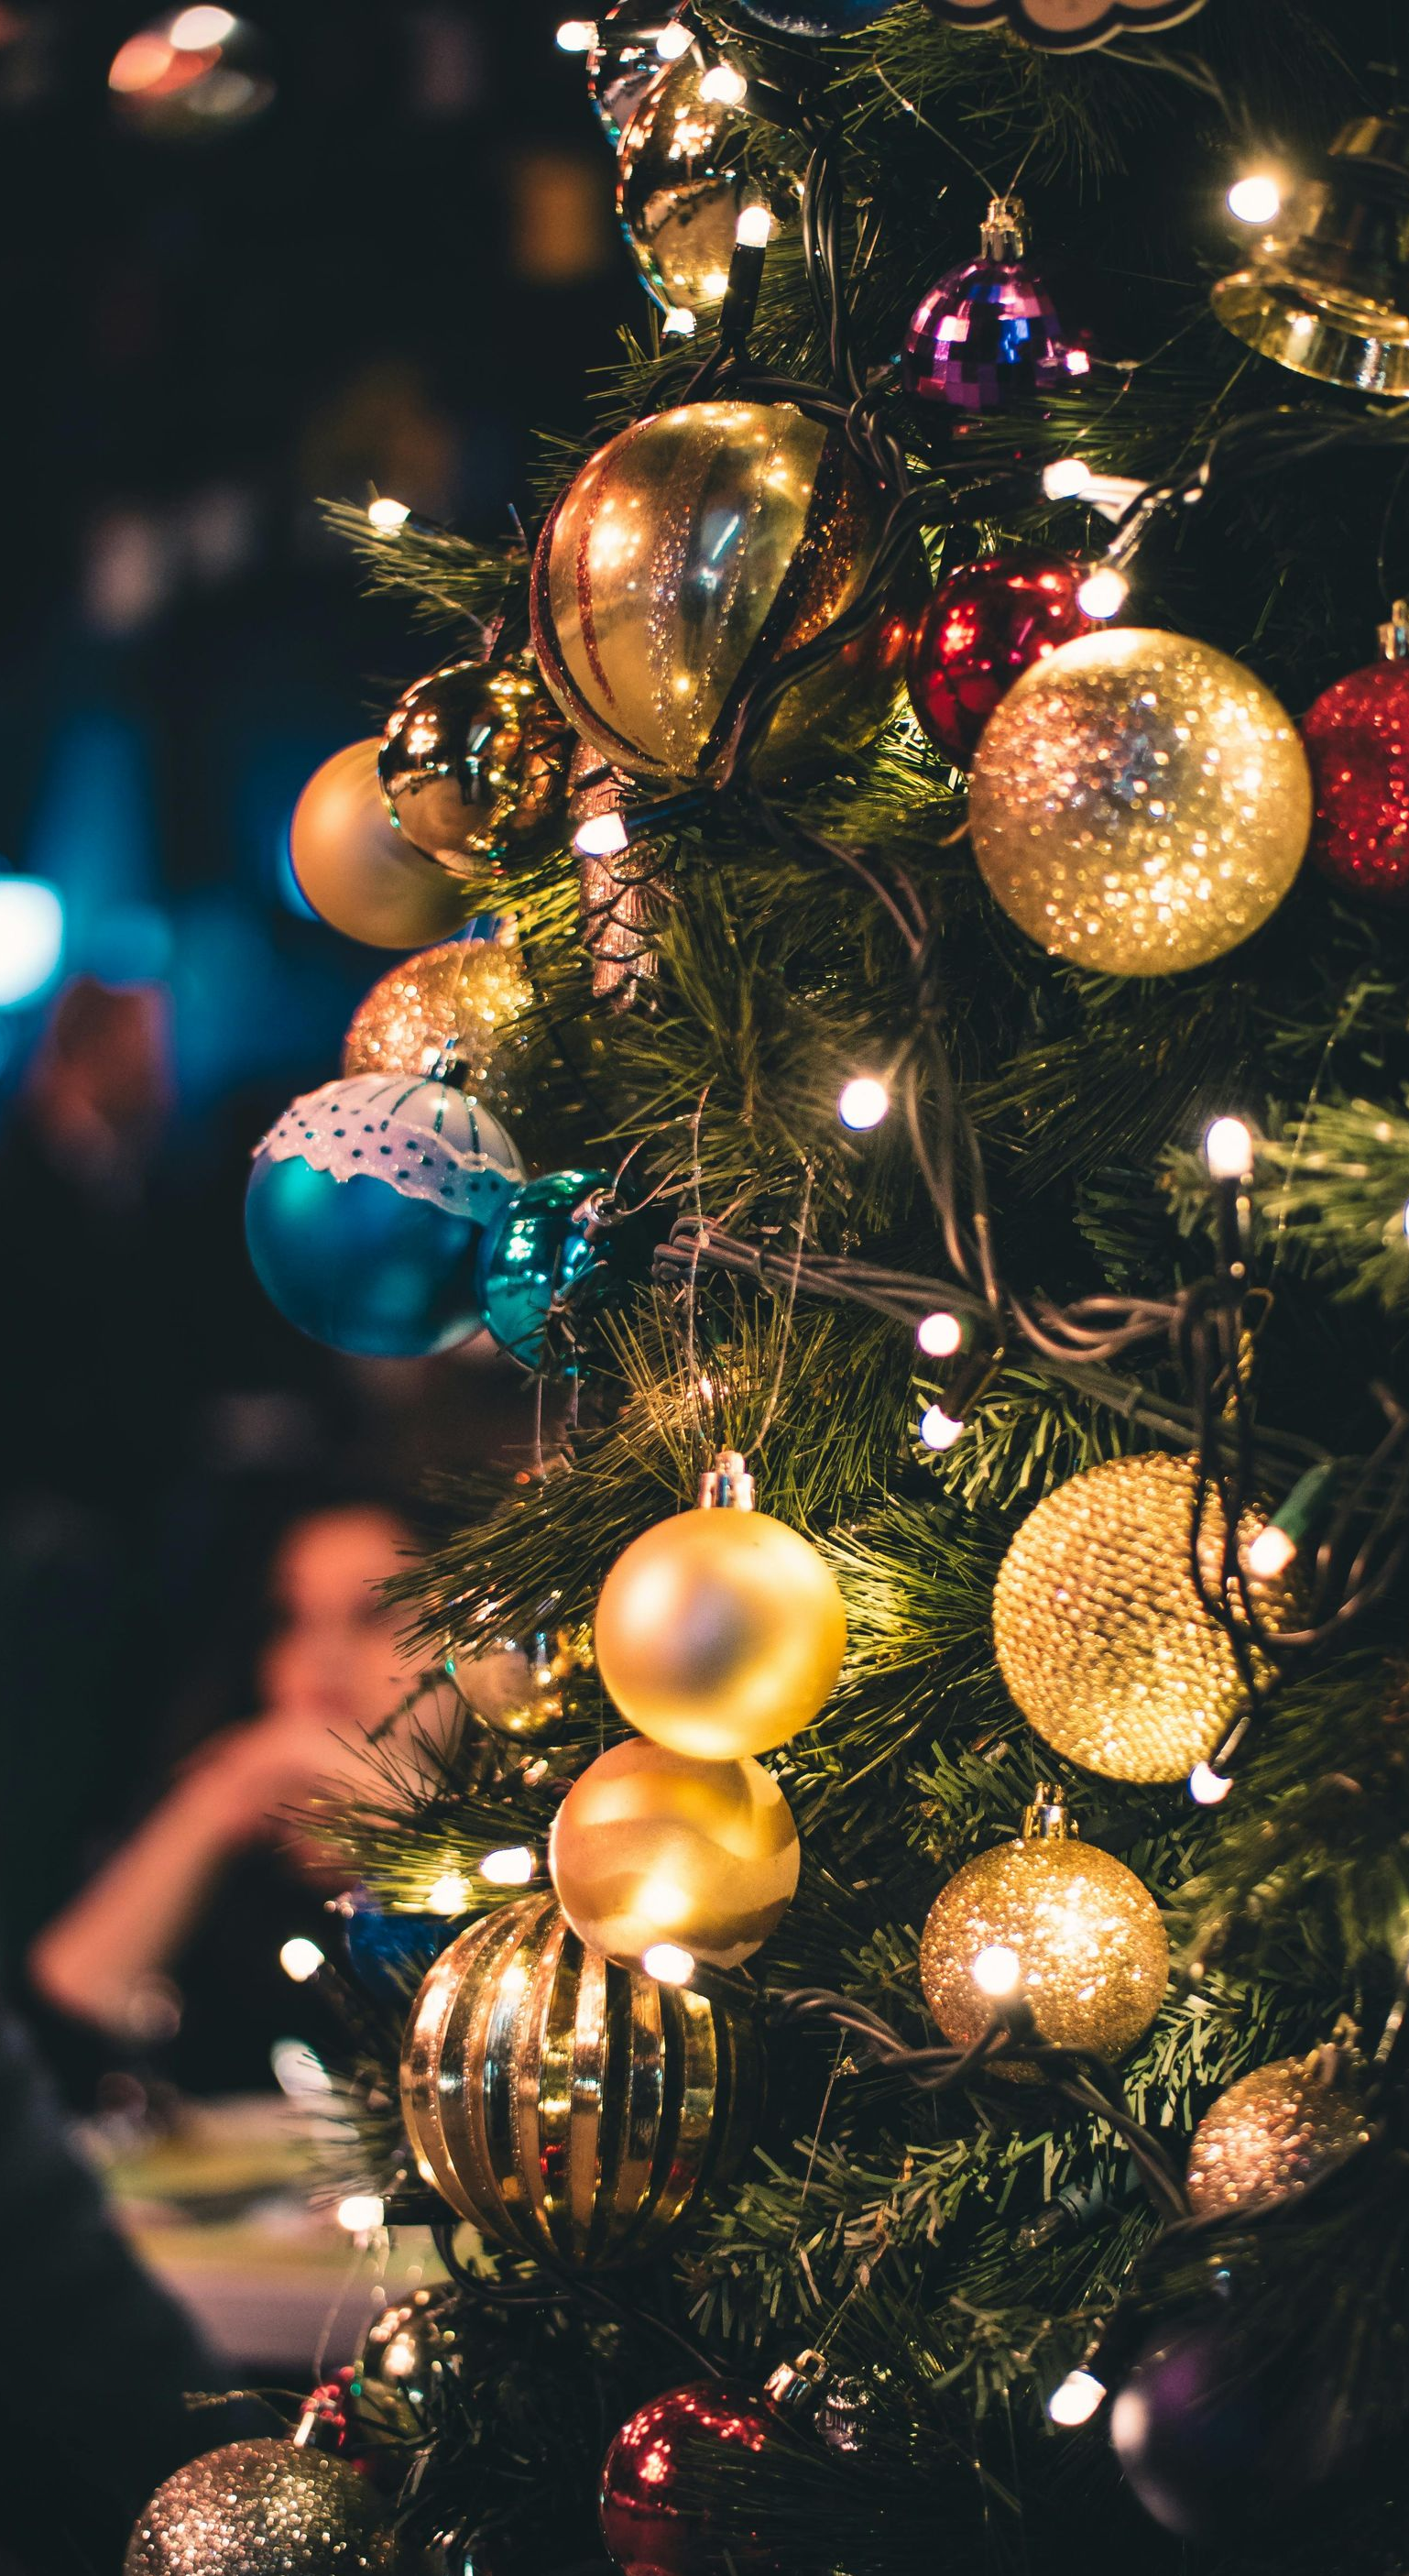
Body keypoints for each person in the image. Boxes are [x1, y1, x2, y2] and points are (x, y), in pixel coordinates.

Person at [29, 1495, 432, 2096]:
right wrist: (207, 1808)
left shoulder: (544, 1845)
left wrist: (398, 1807)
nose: (320, 1658)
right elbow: (51, 2043)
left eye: (375, 1615)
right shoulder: (242, 1853)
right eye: (290, 1620)